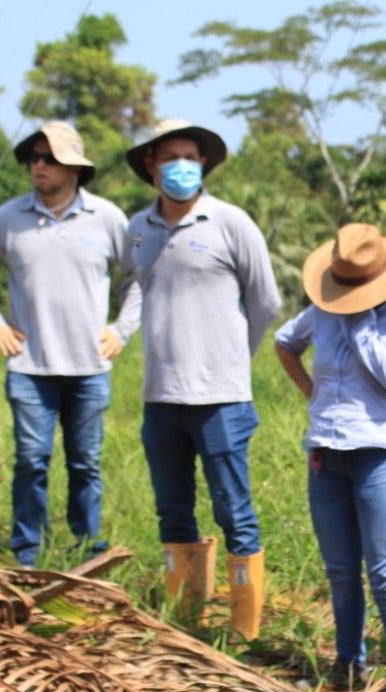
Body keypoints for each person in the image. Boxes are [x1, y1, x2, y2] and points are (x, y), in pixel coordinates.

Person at [124, 119, 281, 639]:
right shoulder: (138, 229)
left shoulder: (231, 223)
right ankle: (186, 622)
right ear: (151, 164)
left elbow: (265, 303)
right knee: (172, 511)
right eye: (170, 157)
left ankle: (244, 633)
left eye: (190, 156)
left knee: (234, 510)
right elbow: (135, 294)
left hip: (221, 396)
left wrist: (233, 357)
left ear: (205, 164)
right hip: (160, 396)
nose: (182, 166)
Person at [0, 121, 139, 569]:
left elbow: (140, 275)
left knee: (85, 465)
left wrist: (121, 330)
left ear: (74, 168)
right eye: (33, 158)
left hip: (89, 366)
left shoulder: (109, 218)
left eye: (49, 158)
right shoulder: (7, 218)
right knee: (31, 462)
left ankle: (86, 550)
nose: (37, 165)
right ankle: (27, 554)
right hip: (29, 366)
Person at [274, 223, 386, 692]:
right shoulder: (322, 308)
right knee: (341, 571)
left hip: (382, 453)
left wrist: (360, 315)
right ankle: (348, 665)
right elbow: (284, 342)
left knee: (385, 572)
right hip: (328, 452)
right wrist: (313, 396)